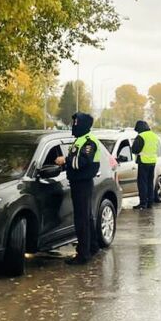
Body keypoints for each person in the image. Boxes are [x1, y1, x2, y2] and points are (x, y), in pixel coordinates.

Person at [55, 112, 102, 265]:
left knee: (81, 220)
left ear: (82, 124)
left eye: (75, 123)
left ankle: (83, 255)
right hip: (79, 183)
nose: (73, 126)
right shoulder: (80, 140)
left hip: (83, 183)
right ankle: (92, 247)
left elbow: (82, 162)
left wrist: (64, 161)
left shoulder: (89, 142)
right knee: (86, 217)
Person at [131, 120, 160, 209]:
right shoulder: (154, 136)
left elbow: (135, 150)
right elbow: (157, 150)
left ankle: (143, 203)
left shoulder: (141, 136)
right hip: (152, 162)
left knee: (142, 183)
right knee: (150, 183)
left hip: (143, 162)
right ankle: (150, 203)